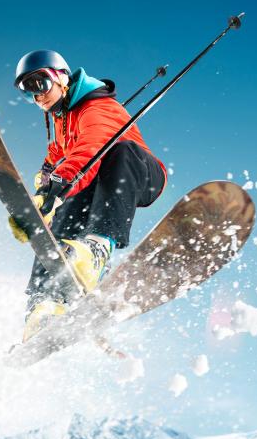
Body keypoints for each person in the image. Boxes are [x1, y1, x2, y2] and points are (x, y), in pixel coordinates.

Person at [9, 50, 166, 342]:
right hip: (92, 181)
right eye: (26, 90)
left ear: (61, 77)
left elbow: (89, 150)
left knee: (118, 152)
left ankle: (97, 250)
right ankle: (44, 305)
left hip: (138, 173)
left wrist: (54, 189)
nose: (36, 95)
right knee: (55, 234)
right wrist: (41, 195)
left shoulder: (98, 107)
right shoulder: (59, 120)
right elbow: (56, 158)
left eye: (40, 83)